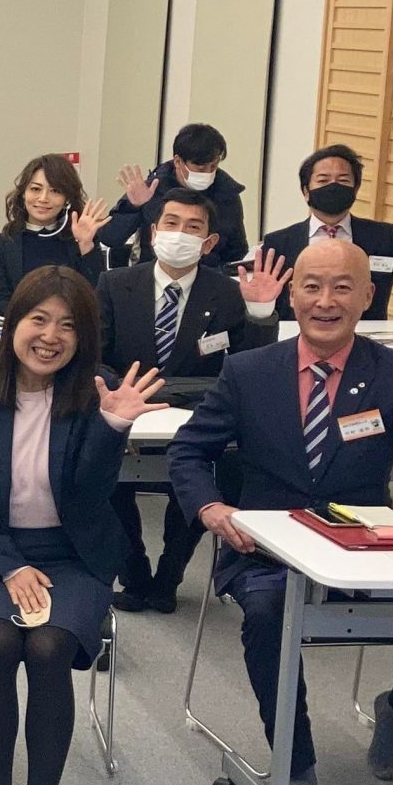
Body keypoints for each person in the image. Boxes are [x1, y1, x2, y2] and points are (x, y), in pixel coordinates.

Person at [168, 239, 393, 785]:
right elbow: (189, 452)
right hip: (267, 554)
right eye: (312, 287)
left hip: (367, 552)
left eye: (342, 288)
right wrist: (212, 510)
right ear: (292, 295)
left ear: (368, 295)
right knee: (269, 616)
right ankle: (295, 762)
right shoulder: (250, 371)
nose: (326, 301)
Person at [0, 270, 161, 785]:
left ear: (83, 337)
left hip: (74, 555)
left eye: (68, 325)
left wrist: (112, 426)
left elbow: (89, 497)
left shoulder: (97, 390)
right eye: (38, 319)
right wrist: (9, 565)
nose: (50, 336)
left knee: (48, 649)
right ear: (13, 323)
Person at [97, 195, 286, 612]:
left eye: (193, 226)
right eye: (171, 223)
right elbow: (95, 357)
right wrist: (125, 393)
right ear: (153, 232)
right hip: (125, 413)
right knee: (106, 479)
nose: (179, 233)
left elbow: (251, 369)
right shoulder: (114, 284)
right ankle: (134, 574)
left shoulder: (229, 294)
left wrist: (260, 313)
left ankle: (169, 575)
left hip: (199, 420)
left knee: (201, 477)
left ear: (209, 242)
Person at [256, 145, 393, 325]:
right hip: (297, 339)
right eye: (323, 180)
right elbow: (266, 304)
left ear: (355, 190)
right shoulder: (279, 243)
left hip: (365, 341)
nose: (333, 186)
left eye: (343, 180)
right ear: (306, 191)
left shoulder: (383, 237)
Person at [95, 122, 248, 266]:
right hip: (152, 273)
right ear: (178, 162)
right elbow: (110, 238)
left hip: (209, 276)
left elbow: (237, 249)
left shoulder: (227, 193)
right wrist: (132, 207)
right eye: (200, 168)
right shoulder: (151, 190)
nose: (208, 172)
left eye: (213, 166)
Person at [0, 153, 111, 316]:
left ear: (67, 199)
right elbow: (0, 303)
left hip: (71, 326)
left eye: (55, 191)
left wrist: (86, 246)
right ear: (23, 193)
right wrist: (37, 321)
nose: (43, 198)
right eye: (35, 189)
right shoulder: (0, 245)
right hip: (22, 326)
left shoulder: (80, 240)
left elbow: (96, 298)